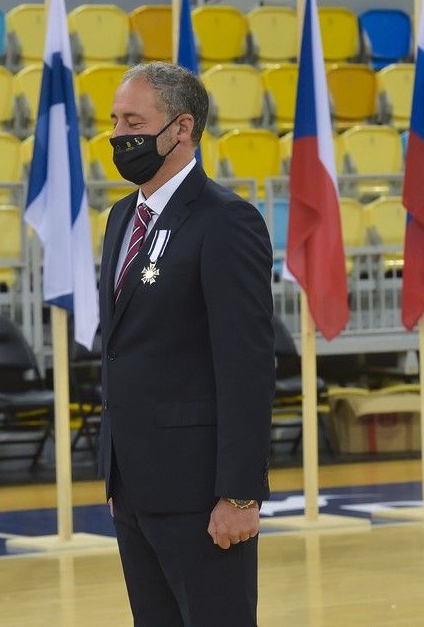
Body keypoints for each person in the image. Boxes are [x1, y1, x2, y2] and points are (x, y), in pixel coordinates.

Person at [97, 62, 275, 626]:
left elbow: (246, 364)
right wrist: (115, 472)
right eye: (115, 121)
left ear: (181, 128)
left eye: (134, 121)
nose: (120, 135)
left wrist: (241, 493)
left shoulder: (226, 220)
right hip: (133, 486)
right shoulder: (122, 216)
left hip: (203, 494)